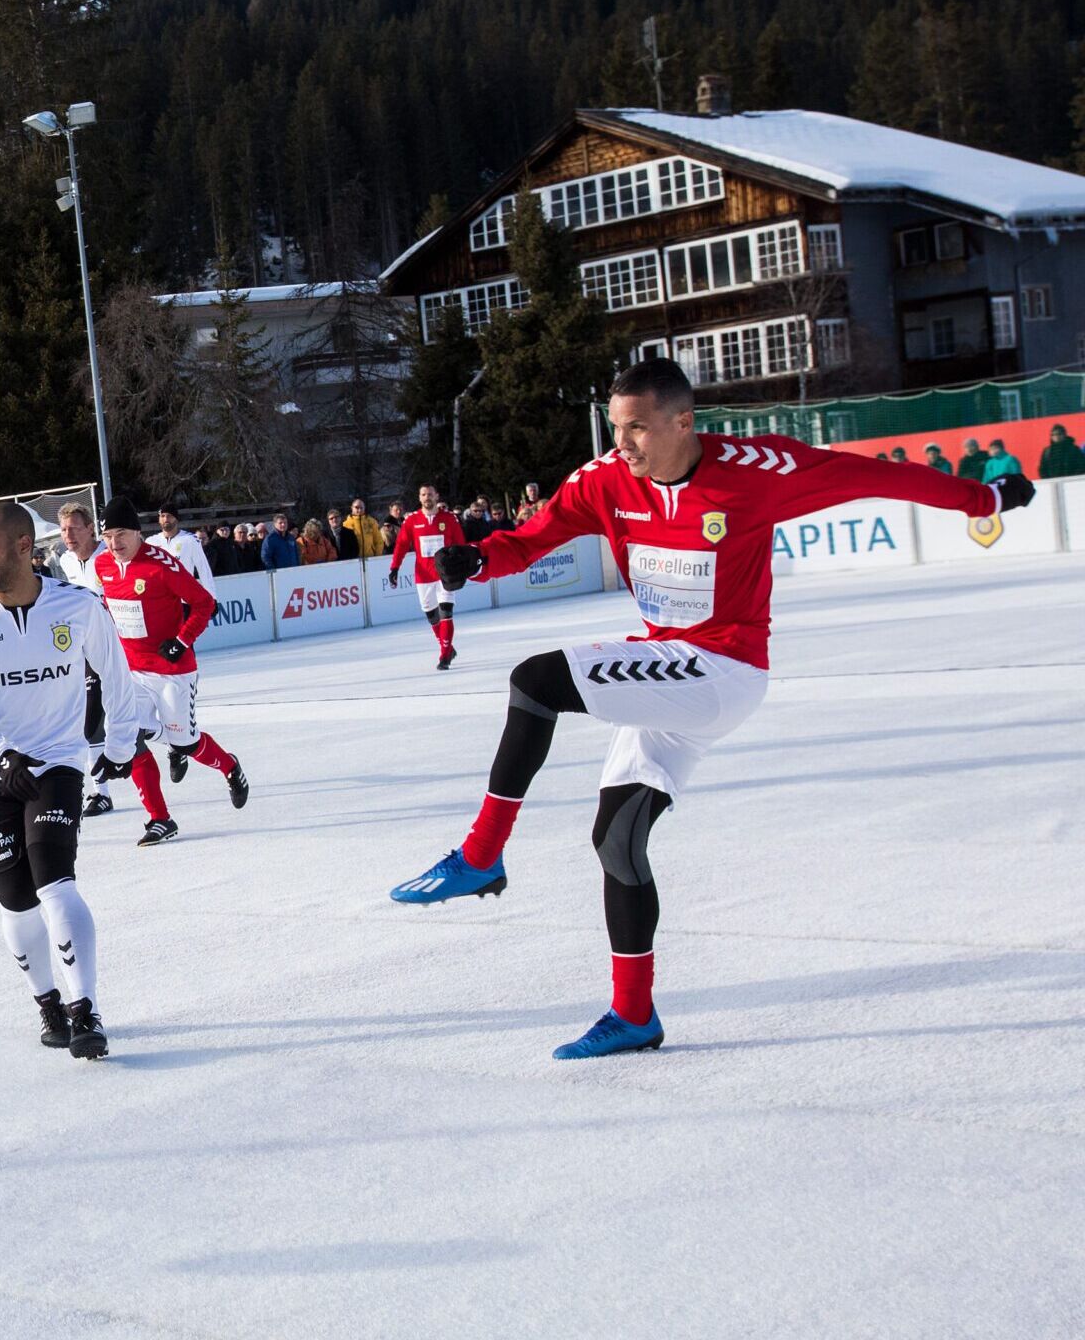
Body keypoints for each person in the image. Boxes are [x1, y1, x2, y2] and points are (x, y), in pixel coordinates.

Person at [388, 357, 1034, 1059]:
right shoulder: (604, 481)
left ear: (682, 422)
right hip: (666, 671)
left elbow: (874, 476)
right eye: (617, 427)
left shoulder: (757, 471)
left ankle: (482, 854)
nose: (623, 443)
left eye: (636, 428)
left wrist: (985, 500)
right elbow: (538, 535)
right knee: (616, 839)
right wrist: (479, 560)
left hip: (723, 667)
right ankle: (634, 1016)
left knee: (536, 680)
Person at [0, 501, 139, 1059]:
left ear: (25, 547)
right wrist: (1, 758)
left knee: (55, 876)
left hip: (56, 761)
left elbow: (116, 677)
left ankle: (85, 1008)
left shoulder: (78, 606)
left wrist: (120, 747)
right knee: (16, 896)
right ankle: (47, 1002)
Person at [96, 498, 251, 846]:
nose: (113, 543)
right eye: (107, 535)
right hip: (132, 671)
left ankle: (229, 766)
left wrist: (181, 641)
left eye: (121, 534)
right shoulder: (104, 565)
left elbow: (203, 603)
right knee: (132, 736)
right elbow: (109, 608)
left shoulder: (160, 565)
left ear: (139, 533)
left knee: (187, 742)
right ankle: (159, 818)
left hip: (172, 671)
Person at [49, 502, 118, 819]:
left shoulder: (111, 555)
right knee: (89, 723)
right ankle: (100, 792)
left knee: (143, 721)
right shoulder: (64, 561)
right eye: (64, 530)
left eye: (75, 528)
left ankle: (177, 743)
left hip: (123, 648)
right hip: (87, 652)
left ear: (91, 528)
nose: (68, 535)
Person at [387, 484, 470, 670]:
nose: (427, 498)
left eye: (430, 494)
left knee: (446, 613)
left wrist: (463, 565)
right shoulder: (412, 521)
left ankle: (444, 656)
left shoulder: (448, 519)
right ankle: (447, 647)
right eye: (424, 494)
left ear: (436, 496)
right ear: (419, 497)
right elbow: (401, 545)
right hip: (423, 576)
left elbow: (460, 543)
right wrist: (394, 568)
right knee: (432, 616)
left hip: (445, 575)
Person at [151, 504, 214, 584]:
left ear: (176, 519)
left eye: (169, 516)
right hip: (160, 593)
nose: (166, 519)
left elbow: (204, 570)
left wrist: (211, 595)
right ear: (159, 520)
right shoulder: (151, 541)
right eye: (162, 516)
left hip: (183, 593)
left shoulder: (190, 539)